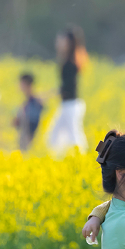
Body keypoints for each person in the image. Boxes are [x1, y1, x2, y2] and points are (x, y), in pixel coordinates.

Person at [45, 25, 89, 156]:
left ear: (68, 43)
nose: (57, 43)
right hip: (68, 105)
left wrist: (47, 95)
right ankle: (63, 161)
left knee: (73, 137)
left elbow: (67, 87)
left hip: (70, 105)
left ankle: (83, 160)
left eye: (61, 40)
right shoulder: (69, 61)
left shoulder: (70, 64)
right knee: (56, 137)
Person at [12, 72, 44, 151]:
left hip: (28, 140)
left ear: (27, 84)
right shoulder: (27, 102)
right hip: (25, 139)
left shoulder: (34, 102)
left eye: (21, 83)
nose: (19, 86)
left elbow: (32, 123)